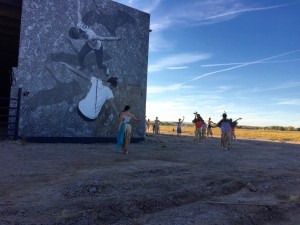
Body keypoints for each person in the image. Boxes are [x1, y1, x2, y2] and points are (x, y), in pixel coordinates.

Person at [69, 0, 121, 74]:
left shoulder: (91, 36)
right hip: (89, 45)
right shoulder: (79, 25)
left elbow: (104, 38)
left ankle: (106, 68)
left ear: (80, 34)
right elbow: (78, 11)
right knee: (80, 56)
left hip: (98, 48)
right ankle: (82, 66)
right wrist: (78, 1)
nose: (79, 39)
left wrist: (117, 38)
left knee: (100, 65)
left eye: (78, 37)